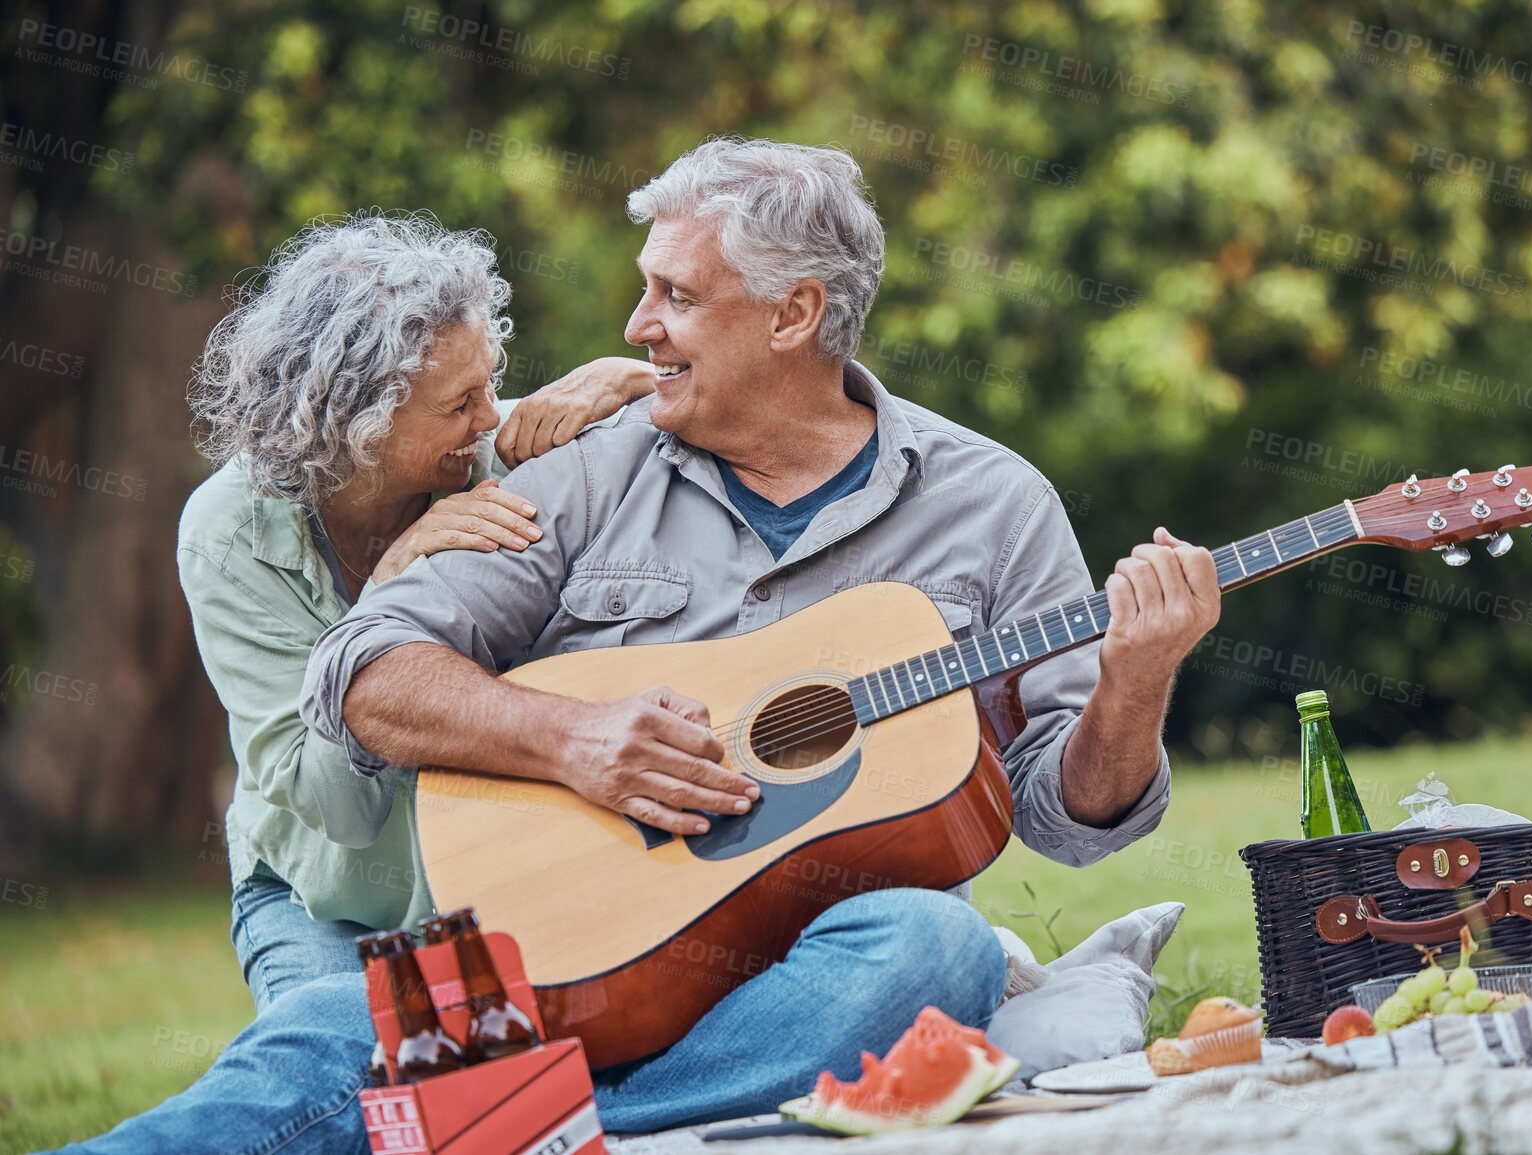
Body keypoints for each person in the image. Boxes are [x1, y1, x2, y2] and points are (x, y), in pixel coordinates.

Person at [51, 140, 1218, 1152]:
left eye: (673, 294)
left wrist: (1137, 679)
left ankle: (541, 1129)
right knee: (329, 1030)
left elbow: (1070, 819)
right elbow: (371, 668)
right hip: (568, 933)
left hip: (805, 959)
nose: (635, 326)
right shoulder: (595, 468)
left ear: (795, 313)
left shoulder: (993, 506)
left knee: (936, 947)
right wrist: (574, 737)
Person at [179, 212, 653, 1013]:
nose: (492, 417)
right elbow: (343, 808)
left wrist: (634, 378)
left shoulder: (488, 457)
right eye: (460, 401)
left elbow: (690, 431)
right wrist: (388, 588)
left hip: (489, 886)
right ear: (354, 420)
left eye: (490, 383)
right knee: (343, 1080)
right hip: (323, 900)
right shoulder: (229, 535)